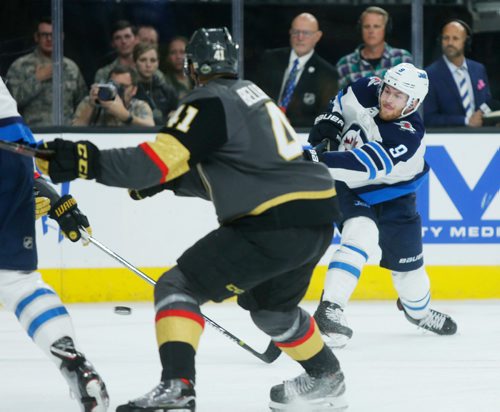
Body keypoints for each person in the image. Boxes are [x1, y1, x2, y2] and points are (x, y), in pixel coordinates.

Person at [36, 27, 348, 411]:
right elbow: (235, 170)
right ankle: (326, 377)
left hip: (272, 221)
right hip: (316, 216)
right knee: (272, 311)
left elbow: (149, 163)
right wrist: (168, 183)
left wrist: (87, 160)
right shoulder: (252, 96)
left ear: (192, 67)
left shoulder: (207, 101)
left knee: (176, 286)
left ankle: (178, 387)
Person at [305, 63, 457, 348]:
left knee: (410, 273)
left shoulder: (408, 135)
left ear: (413, 103)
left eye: (398, 96)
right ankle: (330, 309)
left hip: (393, 197)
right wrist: (327, 127)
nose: (387, 98)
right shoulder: (366, 88)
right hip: (349, 188)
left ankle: (419, 313)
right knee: (360, 233)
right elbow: (337, 105)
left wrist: (315, 161)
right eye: (388, 89)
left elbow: (364, 165)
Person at [0, 76, 108, 411]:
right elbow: (12, 135)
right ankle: (71, 359)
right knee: (18, 281)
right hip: (13, 150)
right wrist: (51, 195)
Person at [254, 13, 338, 128]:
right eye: (296, 32)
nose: (300, 37)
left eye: (306, 33)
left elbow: (325, 117)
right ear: (290, 33)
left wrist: (290, 123)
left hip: (301, 135)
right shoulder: (270, 59)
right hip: (264, 127)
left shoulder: (327, 74)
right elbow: (255, 97)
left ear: (318, 36)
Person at [5, 16, 87, 126]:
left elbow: (83, 103)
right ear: (36, 37)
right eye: (44, 35)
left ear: (61, 36)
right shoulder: (20, 66)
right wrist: (37, 79)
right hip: (33, 134)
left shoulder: (71, 67)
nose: (49, 39)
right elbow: (8, 104)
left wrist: (77, 125)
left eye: (53, 35)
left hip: (66, 134)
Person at [424, 19, 492, 128]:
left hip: (481, 137)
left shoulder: (478, 69)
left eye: (455, 38)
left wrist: (488, 117)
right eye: (446, 38)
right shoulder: (430, 74)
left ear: (466, 41)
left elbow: (487, 102)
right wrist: (465, 121)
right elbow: (428, 118)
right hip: (449, 140)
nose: (450, 43)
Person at [336, 6, 413, 90]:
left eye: (376, 26)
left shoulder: (402, 59)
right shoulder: (345, 64)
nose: (371, 31)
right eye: (366, 26)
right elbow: (339, 100)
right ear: (360, 29)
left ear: (386, 29)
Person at [73, 65, 154, 127]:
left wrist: (126, 117)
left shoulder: (139, 106)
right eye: (114, 85)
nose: (117, 90)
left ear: (134, 90)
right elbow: (73, 132)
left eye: (123, 87)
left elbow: (151, 128)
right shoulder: (92, 101)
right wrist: (90, 106)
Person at [133, 42, 178, 125]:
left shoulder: (168, 91)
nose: (148, 65)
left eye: (153, 60)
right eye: (143, 60)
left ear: (158, 63)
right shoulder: (129, 90)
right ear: (135, 62)